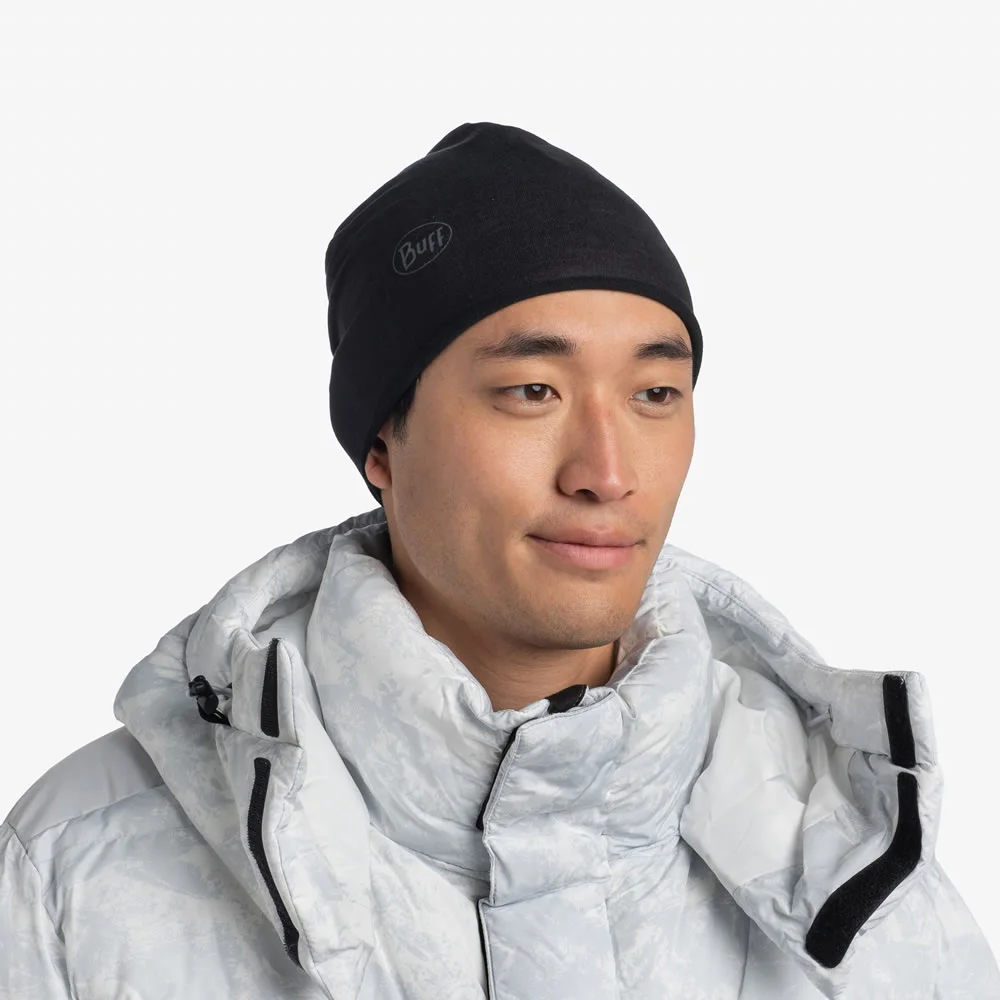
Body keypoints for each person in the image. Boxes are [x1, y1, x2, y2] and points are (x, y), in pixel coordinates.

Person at [1, 122, 997, 1000]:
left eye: (655, 394)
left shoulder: (846, 872)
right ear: (382, 444)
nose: (608, 473)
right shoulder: (79, 874)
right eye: (531, 391)